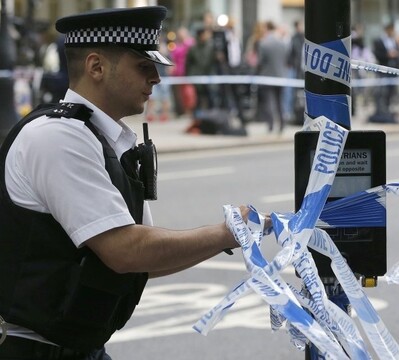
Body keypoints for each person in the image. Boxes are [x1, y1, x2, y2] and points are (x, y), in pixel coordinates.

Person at [0, 7, 254, 359]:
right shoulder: (59, 138)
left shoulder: (102, 139)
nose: (157, 79)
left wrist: (229, 237)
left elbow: (143, 261)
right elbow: (126, 250)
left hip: (77, 347)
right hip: (33, 349)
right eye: (143, 66)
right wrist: (228, 232)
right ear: (96, 67)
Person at [256, 20, 288, 134]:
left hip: (267, 76)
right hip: (281, 76)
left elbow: (260, 61)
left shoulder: (263, 44)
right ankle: (282, 124)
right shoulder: (282, 43)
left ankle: (270, 125)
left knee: (269, 102)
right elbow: (285, 59)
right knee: (280, 102)